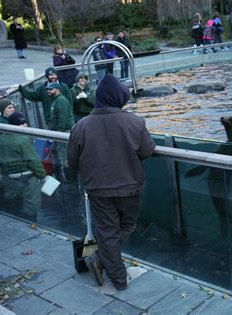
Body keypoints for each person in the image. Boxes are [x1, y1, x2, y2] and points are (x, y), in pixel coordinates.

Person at [67, 74, 155, 291]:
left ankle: (106, 263)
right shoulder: (135, 121)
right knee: (127, 225)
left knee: (107, 231)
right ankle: (115, 274)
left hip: (97, 189)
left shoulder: (81, 125)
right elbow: (146, 151)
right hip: (129, 188)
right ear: (119, 98)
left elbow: (72, 160)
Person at [0, 112, 46, 221]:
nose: (26, 126)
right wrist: (42, 175)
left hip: (10, 178)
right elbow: (33, 160)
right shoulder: (23, 139)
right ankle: (32, 225)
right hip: (26, 177)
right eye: (23, 124)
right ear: (16, 126)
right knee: (31, 206)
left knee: (15, 204)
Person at [46, 82, 74, 166]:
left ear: (57, 90)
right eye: (47, 89)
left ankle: (69, 176)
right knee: (62, 157)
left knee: (65, 158)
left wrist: (58, 133)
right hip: (61, 132)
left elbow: (63, 118)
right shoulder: (56, 100)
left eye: (51, 89)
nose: (48, 91)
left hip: (64, 132)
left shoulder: (61, 100)